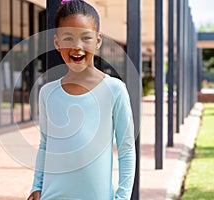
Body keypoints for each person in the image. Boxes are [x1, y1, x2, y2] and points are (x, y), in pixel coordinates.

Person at [27, 0, 135, 199]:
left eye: (86, 38)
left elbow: (126, 149)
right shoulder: (47, 93)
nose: (77, 47)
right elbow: (45, 145)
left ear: (98, 41)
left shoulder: (114, 90)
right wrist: (36, 186)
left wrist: (123, 197)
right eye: (68, 38)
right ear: (57, 42)